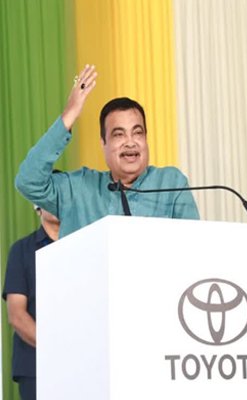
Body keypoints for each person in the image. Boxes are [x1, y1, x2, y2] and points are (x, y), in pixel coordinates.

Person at [15, 65, 200, 238]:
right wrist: (68, 116)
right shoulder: (78, 189)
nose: (130, 142)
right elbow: (28, 181)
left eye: (137, 133)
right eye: (119, 134)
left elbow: (194, 245)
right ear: (103, 142)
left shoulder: (171, 183)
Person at [3, 203, 60, 400]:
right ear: (38, 207)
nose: (56, 203)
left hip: (83, 364)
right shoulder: (21, 250)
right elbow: (17, 315)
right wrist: (59, 349)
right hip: (35, 366)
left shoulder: (85, 245)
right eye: (50, 198)